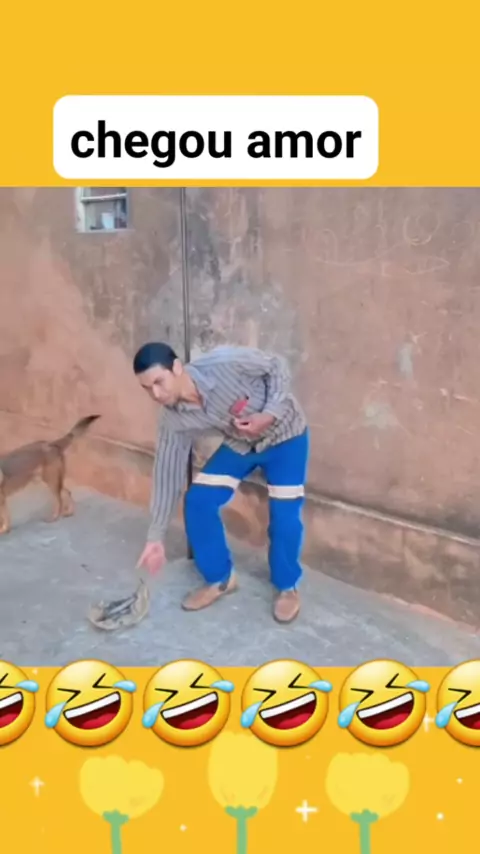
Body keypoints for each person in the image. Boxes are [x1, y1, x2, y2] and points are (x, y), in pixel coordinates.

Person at [134, 342, 309, 624]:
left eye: (158, 382)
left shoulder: (224, 363)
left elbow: (276, 365)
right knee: (198, 501)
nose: (155, 394)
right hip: (241, 445)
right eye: (146, 388)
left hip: (287, 437)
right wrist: (156, 536)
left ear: (176, 368)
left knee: (285, 517)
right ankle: (220, 578)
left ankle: (287, 586)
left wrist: (268, 414)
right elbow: (167, 472)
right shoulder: (172, 420)